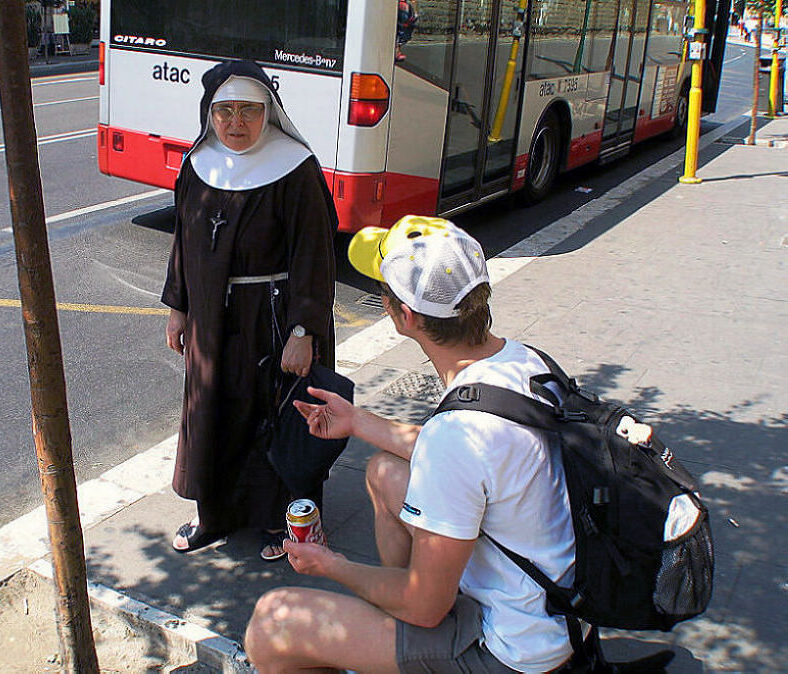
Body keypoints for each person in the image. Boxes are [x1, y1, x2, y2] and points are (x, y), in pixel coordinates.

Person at [244, 216, 578, 672]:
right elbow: (468, 459)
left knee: (272, 624)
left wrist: (331, 564)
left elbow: (427, 607)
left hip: (514, 650)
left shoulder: (457, 434)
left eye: (385, 293)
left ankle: (401, 635)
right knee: (384, 472)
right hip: (559, 607)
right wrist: (356, 421)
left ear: (407, 317)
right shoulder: (525, 362)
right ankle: (391, 626)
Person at [162, 59, 337, 562]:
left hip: (274, 316)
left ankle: (279, 519)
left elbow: (314, 253)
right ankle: (213, 513)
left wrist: (304, 329)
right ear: (210, 114)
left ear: (269, 113)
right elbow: (183, 240)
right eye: (225, 112)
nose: (236, 123)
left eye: (249, 112)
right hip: (212, 319)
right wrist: (178, 307)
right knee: (212, 409)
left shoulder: (294, 168)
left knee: (271, 416)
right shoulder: (199, 164)